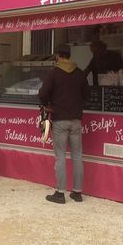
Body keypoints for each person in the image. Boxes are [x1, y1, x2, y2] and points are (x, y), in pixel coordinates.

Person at [38, 43, 90, 204]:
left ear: (58, 56)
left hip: (60, 119)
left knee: (60, 156)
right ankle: (77, 193)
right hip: (76, 120)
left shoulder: (54, 73)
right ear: (69, 55)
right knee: (77, 156)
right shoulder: (80, 73)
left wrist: (47, 103)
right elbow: (87, 95)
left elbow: (43, 94)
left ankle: (60, 193)